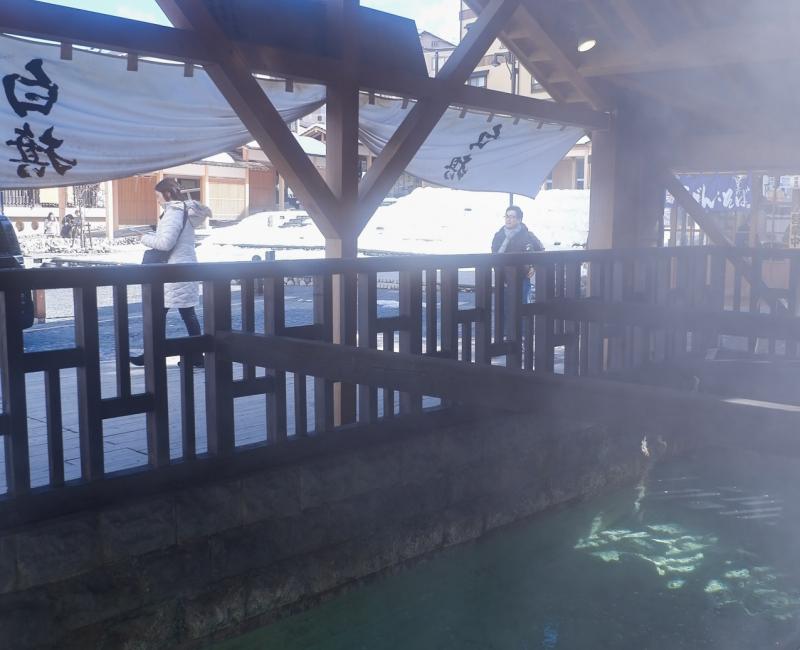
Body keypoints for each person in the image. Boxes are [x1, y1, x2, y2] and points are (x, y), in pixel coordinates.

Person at [130, 178, 212, 368]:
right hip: (186, 266)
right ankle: (197, 356)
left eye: (158, 196)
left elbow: (166, 243)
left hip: (172, 270)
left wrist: (144, 238)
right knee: (187, 314)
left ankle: (151, 355)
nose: (157, 200)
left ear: (167, 194)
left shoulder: (173, 213)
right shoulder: (184, 210)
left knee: (158, 313)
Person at [491, 205, 544, 304]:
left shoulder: (527, 235)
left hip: (522, 278)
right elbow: (494, 255)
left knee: (522, 310)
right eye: (507, 216)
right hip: (503, 279)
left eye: (512, 217)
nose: (508, 219)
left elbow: (541, 251)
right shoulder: (499, 236)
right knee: (504, 310)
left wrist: (534, 267)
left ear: (519, 219)